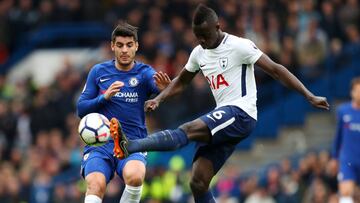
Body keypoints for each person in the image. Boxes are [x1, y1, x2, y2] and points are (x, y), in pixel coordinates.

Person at [109, 4, 330, 203]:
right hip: (225, 117)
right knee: (198, 181)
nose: (202, 41)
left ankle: (130, 146)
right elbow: (182, 81)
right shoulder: (199, 52)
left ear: (218, 26)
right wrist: (159, 98)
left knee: (188, 129)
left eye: (205, 35)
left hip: (241, 112)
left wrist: (308, 95)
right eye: (198, 37)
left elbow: (276, 69)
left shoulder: (239, 46)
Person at [77, 22, 171, 203]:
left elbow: (162, 91)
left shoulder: (144, 73)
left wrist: (165, 91)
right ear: (113, 46)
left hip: (132, 142)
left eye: (129, 45)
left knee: (135, 176)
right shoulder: (98, 72)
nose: (124, 50)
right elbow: (81, 109)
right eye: (119, 45)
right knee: (96, 184)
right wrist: (104, 98)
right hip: (100, 144)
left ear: (136, 46)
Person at [332, 77, 360, 203]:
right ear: (352, 92)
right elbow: (338, 136)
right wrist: (334, 157)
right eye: (358, 90)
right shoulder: (343, 111)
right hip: (348, 160)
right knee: (346, 193)